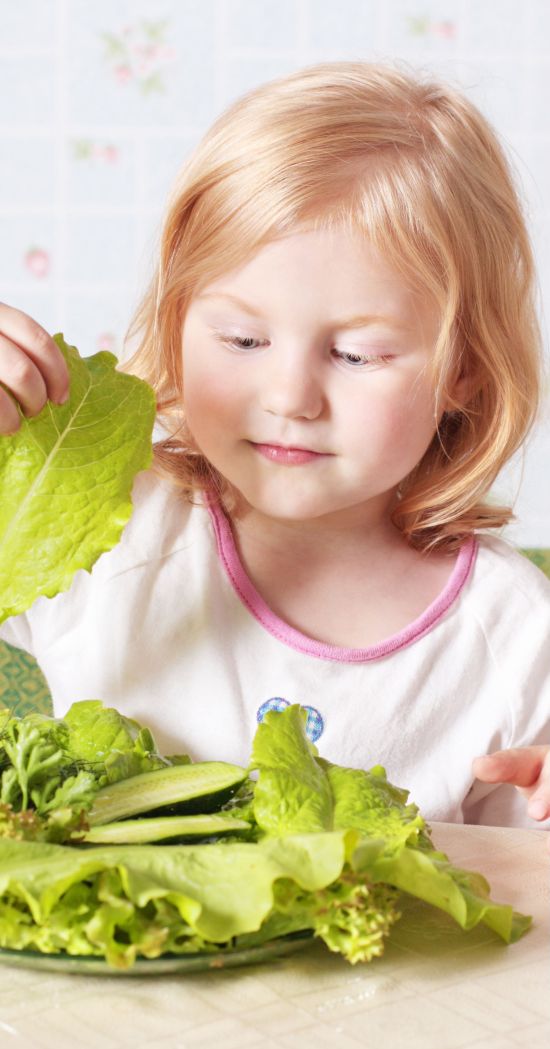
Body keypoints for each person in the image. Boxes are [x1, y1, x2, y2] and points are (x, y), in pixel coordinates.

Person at [0, 61, 549, 829]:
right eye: (243, 338)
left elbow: (517, 901)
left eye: (356, 355)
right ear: (178, 324)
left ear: (464, 370)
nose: (290, 396)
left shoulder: (515, 638)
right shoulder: (107, 519)